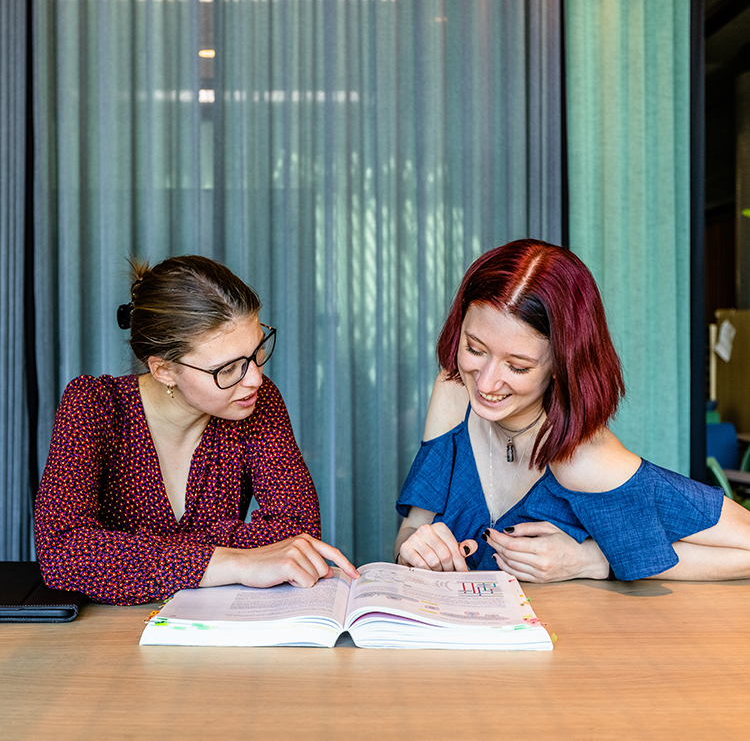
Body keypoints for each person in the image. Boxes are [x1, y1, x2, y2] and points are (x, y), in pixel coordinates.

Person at [394, 239, 750, 582]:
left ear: (562, 366)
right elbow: (412, 527)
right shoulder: (454, 388)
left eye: (517, 367)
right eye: (474, 349)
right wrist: (413, 549)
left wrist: (594, 560)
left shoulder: (584, 457)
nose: (485, 384)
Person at [35, 255, 358, 605]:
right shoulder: (93, 405)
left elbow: (296, 531)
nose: (255, 378)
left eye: (257, 352)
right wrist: (235, 561)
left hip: (218, 628)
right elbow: (63, 550)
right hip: (107, 638)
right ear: (164, 370)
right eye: (227, 369)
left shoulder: (256, 403)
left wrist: (130, 554)